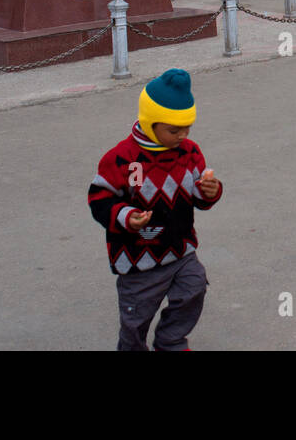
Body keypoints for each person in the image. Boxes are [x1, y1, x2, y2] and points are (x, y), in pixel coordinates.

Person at [87, 69, 222, 351]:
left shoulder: (189, 152)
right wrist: (125, 216)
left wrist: (210, 191)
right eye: (174, 130)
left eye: (187, 128)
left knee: (194, 289)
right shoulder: (123, 158)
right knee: (136, 319)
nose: (182, 135)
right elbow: (99, 198)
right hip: (138, 258)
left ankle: (171, 340)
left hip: (180, 249)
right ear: (150, 123)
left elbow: (200, 195)